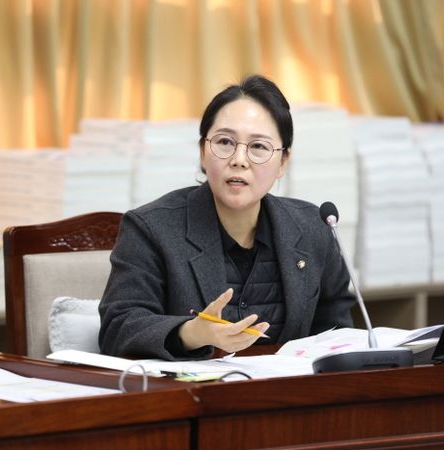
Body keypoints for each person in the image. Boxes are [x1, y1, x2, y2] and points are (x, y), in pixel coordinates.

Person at [98, 74, 354, 360]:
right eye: (224, 142)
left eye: (258, 146)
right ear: (202, 152)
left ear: (283, 162)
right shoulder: (151, 229)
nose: (239, 160)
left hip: (287, 386)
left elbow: (337, 332)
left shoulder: (312, 228)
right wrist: (190, 333)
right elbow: (117, 329)